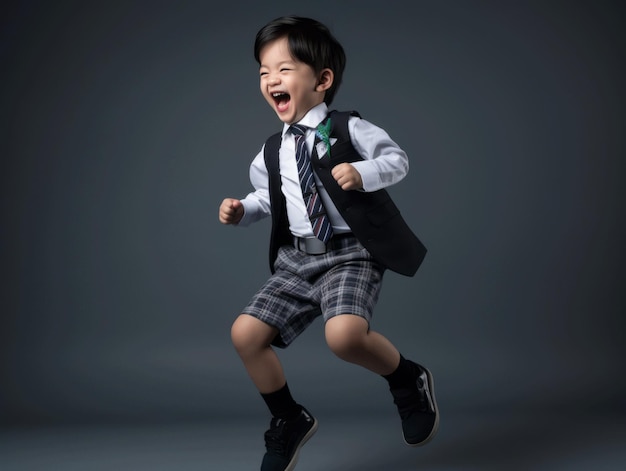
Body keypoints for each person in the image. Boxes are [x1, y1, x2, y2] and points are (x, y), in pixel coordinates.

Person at [218, 15, 439, 471]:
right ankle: (288, 418)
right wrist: (243, 210)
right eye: (263, 72)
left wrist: (364, 173)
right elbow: (269, 195)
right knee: (245, 335)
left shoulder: (346, 129)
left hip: (350, 253)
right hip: (298, 259)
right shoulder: (271, 151)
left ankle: (407, 379)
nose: (270, 80)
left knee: (344, 337)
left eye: (283, 69)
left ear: (322, 80)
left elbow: (396, 159)